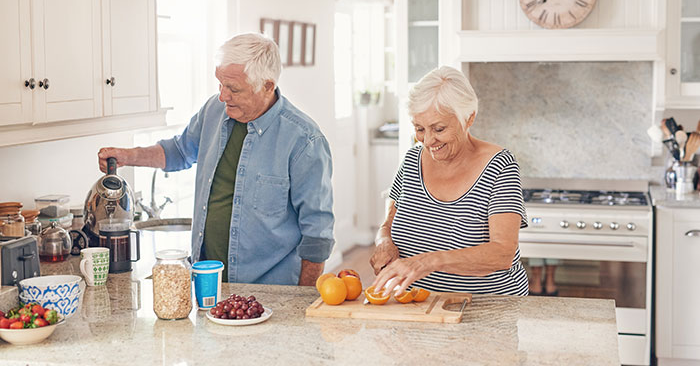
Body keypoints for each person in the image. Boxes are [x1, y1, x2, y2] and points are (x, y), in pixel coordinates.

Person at [98, 33, 335, 286]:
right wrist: (127, 156)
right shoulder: (214, 111)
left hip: (272, 289)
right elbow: (179, 151)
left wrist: (301, 302)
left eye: (233, 88)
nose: (222, 96)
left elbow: (317, 235)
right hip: (207, 281)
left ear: (267, 86)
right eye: (219, 84)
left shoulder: (304, 140)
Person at [369, 66, 529, 296]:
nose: (429, 140)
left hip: (488, 309)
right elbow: (387, 226)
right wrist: (384, 243)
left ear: (469, 117)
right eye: (420, 129)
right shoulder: (412, 159)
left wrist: (427, 262)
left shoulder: (500, 166)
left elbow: (502, 253)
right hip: (417, 306)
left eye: (439, 128)